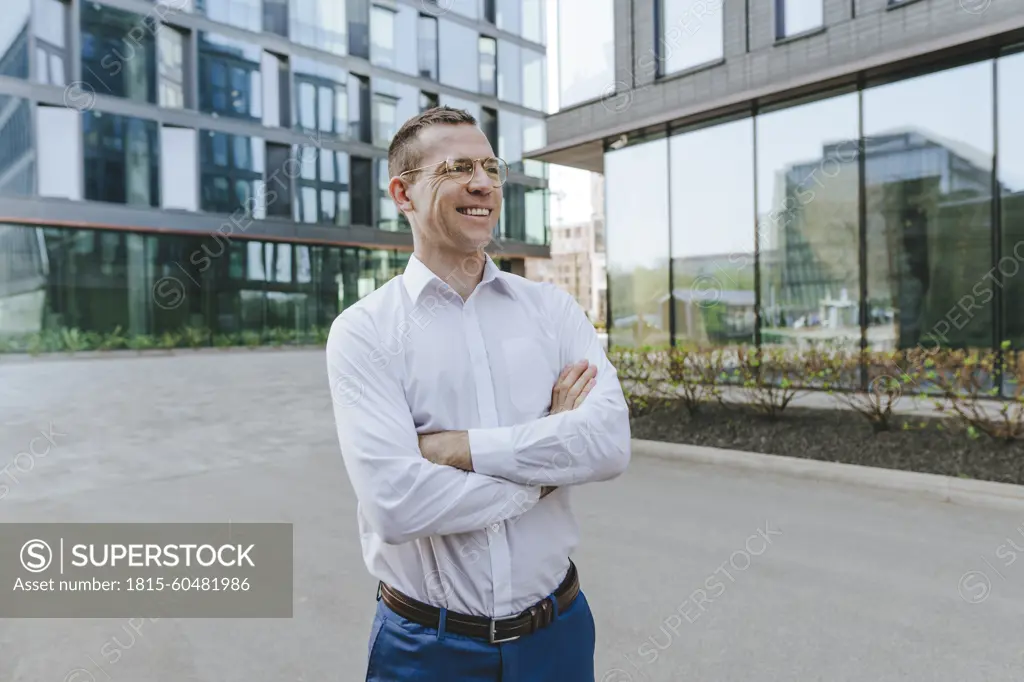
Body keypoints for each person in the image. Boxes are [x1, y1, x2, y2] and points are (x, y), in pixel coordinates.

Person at [325, 106, 631, 681]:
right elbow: (396, 504)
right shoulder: (365, 331)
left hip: (556, 638)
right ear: (403, 192)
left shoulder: (553, 310)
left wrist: (460, 449)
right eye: (458, 167)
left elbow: (608, 444)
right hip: (426, 650)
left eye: (492, 167)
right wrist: (546, 467)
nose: (483, 183)